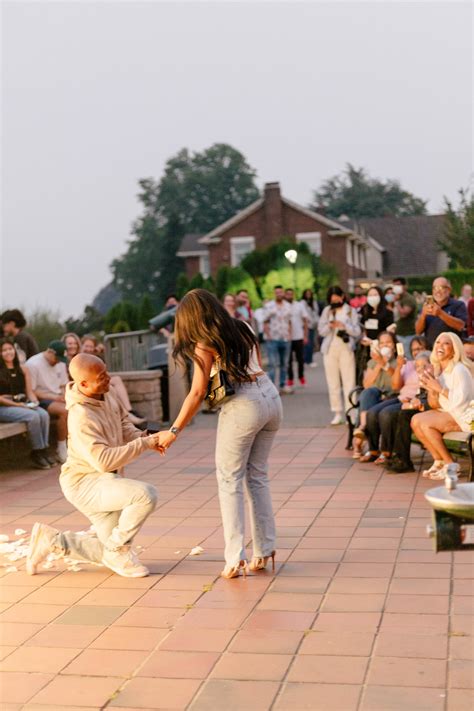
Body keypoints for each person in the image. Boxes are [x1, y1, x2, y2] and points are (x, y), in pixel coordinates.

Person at [156, 289, 282, 579]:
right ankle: (264, 550)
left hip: (243, 405)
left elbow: (198, 391)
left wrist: (174, 430)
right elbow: (257, 364)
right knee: (258, 476)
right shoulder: (244, 326)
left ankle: (234, 557)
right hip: (270, 396)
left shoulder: (205, 343)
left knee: (229, 480)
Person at [26, 353, 161, 578]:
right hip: (84, 484)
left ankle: (50, 540)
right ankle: (118, 550)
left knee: (105, 551)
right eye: (102, 377)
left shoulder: (106, 393)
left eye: (106, 372)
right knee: (146, 495)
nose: (108, 378)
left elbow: (122, 424)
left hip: (106, 480)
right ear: (83, 384)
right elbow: (104, 460)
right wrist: (144, 444)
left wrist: (144, 436)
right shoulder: (80, 416)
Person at [411, 332, 474, 480]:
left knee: (426, 424)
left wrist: (439, 388)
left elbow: (461, 401)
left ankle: (451, 465)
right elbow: (434, 405)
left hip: (464, 416)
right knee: (415, 420)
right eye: (438, 342)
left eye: (446, 343)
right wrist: (432, 389)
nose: (440, 346)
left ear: (454, 349)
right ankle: (439, 461)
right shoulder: (440, 370)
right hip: (449, 412)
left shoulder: (460, 369)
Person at [361, 337, 428, 465]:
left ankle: (387, 452)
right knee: (372, 412)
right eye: (414, 349)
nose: (417, 352)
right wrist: (398, 366)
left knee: (385, 414)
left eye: (420, 348)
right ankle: (373, 450)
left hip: (415, 399)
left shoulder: (429, 363)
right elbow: (396, 386)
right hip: (401, 396)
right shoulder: (407, 364)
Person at [0, 338, 52, 469]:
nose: (8, 352)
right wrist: (18, 405)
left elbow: (29, 392)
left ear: (14, 350)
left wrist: (34, 402)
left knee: (43, 414)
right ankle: (36, 451)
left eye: (10, 349)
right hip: (5, 407)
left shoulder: (23, 369)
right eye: (4, 350)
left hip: (23, 403)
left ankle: (44, 450)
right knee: (33, 417)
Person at [318, 286, 361, 425]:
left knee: (350, 382)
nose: (335, 300)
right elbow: (321, 331)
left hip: (346, 348)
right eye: (332, 297)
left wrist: (344, 326)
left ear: (343, 296)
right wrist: (330, 326)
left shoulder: (350, 311)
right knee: (333, 382)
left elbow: (357, 331)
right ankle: (337, 412)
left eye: (337, 297)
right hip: (330, 349)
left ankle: (351, 413)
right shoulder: (327, 310)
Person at [81, 334, 145, 426]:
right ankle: (127, 415)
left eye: (91, 347)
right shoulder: (80, 359)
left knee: (116, 380)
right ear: (82, 345)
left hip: (96, 380)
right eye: (86, 346)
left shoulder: (94, 358)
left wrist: (99, 351)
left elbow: (103, 369)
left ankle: (129, 410)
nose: (89, 349)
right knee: (110, 388)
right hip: (88, 384)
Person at [353, 331, 398, 458]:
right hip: (374, 397)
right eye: (382, 343)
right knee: (368, 392)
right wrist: (379, 363)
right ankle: (363, 426)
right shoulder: (373, 362)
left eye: (388, 342)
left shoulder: (399, 361)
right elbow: (366, 384)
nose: (385, 346)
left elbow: (396, 383)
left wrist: (385, 364)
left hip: (392, 396)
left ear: (394, 345)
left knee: (367, 402)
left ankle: (359, 440)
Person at [386, 351, 433, 474]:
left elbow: (434, 400)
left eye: (424, 365)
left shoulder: (434, 376)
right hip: (423, 407)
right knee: (399, 414)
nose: (420, 369)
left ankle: (401, 460)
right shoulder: (423, 378)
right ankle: (398, 458)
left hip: (434, 411)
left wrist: (417, 404)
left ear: (432, 365)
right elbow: (421, 395)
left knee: (403, 415)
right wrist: (415, 401)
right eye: (417, 366)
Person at [25, 341, 69, 463]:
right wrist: (55, 397)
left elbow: (63, 384)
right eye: (56, 357)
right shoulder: (33, 364)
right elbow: (32, 390)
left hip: (58, 396)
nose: (58, 361)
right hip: (42, 398)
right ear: (50, 352)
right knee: (65, 411)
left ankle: (75, 445)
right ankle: (61, 447)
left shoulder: (60, 363)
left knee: (78, 407)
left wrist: (65, 395)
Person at [356, 286, 394, 385]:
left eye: (375, 295)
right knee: (368, 372)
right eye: (370, 295)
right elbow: (360, 327)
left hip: (382, 347)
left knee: (382, 370)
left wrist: (378, 342)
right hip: (367, 348)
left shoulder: (388, 312)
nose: (372, 297)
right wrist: (363, 338)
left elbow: (390, 331)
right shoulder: (364, 311)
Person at [415, 277, 467, 348]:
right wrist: (423, 315)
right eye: (435, 288)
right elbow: (418, 331)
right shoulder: (427, 306)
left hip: (453, 350)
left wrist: (440, 313)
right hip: (432, 351)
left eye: (441, 288)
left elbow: (461, 326)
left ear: (449, 290)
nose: (437, 291)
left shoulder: (458, 305)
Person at [264, 286, 293, 393]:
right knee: (272, 363)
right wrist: (268, 335)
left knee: (284, 364)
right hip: (273, 338)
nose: (279, 294)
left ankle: (282, 385)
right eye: (277, 292)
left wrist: (290, 335)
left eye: (280, 292)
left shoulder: (288, 306)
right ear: (274, 293)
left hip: (285, 338)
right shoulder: (269, 306)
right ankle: (271, 387)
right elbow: (265, 321)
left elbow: (289, 322)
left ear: (283, 293)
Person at [285, 288, 308, 387]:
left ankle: (301, 377)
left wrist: (305, 335)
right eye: (288, 294)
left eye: (291, 294)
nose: (289, 296)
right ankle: (290, 379)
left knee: (300, 359)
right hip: (287, 337)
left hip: (299, 336)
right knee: (288, 360)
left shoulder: (299, 305)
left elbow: (305, 320)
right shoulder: (283, 306)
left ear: (293, 294)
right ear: (285, 295)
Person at [392, 278, 418, 355]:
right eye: (394, 285)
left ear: (405, 286)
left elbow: (404, 314)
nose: (396, 287)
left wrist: (397, 302)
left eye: (398, 285)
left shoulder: (408, 299)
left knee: (407, 357)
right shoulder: (397, 297)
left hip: (407, 335)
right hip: (398, 333)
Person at [300, 289, 319, 367]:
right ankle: (307, 360)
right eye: (307, 294)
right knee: (307, 344)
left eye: (309, 294)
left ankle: (309, 360)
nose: (308, 295)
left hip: (312, 326)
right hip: (305, 326)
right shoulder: (302, 303)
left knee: (311, 343)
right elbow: (304, 315)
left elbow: (316, 313)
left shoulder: (313, 303)